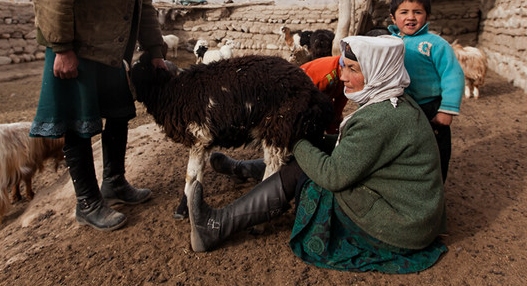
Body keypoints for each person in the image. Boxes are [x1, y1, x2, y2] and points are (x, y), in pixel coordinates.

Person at [188, 35, 447, 273]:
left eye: (353, 69)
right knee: (315, 150)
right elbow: (356, 146)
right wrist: (315, 141)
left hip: (400, 226)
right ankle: (246, 170)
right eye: (343, 66)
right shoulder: (395, 99)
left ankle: (216, 226)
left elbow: (333, 176)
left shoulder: (380, 118)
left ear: (379, 72)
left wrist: (295, 139)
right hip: (414, 212)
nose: (343, 76)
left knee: (306, 172)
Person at [29, 0, 168, 232]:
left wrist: (155, 50)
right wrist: (61, 46)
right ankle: (87, 202)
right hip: (78, 47)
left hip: (112, 51)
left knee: (119, 114)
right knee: (78, 123)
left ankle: (115, 182)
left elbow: (144, 2)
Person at [208, 52, 348, 182]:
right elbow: (303, 96)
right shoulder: (328, 75)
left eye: (353, 68)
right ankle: (242, 169)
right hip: (294, 104)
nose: (344, 76)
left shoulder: (343, 79)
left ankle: (246, 173)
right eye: (349, 68)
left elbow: (336, 109)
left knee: (288, 154)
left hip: (307, 112)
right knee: (282, 147)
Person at [388, 0, 464, 182]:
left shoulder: (435, 44)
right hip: (399, 107)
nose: (411, 17)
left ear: (427, 16)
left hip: (430, 108)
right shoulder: (388, 43)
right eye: (404, 12)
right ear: (392, 17)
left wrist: (447, 110)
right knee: (402, 152)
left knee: (435, 153)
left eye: (418, 12)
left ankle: (435, 192)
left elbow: (452, 75)